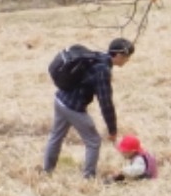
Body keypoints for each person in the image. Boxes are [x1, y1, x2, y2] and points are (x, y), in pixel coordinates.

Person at [43, 36, 135, 178]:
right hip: (72, 107)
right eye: (127, 57)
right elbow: (106, 103)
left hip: (60, 99)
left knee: (56, 135)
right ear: (118, 55)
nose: (127, 60)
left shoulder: (97, 56)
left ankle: (47, 171)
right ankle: (88, 177)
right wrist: (112, 129)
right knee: (94, 141)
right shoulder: (102, 70)